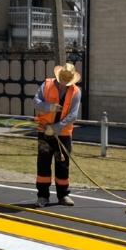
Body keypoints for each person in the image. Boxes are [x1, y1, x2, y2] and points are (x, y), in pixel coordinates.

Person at [33, 62, 82, 207]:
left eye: (67, 82)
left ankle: (63, 195)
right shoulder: (46, 85)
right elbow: (36, 102)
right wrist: (50, 107)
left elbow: (73, 116)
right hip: (44, 131)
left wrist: (56, 128)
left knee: (62, 165)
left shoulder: (76, 92)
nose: (64, 85)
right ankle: (42, 196)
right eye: (63, 82)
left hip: (63, 134)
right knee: (43, 163)